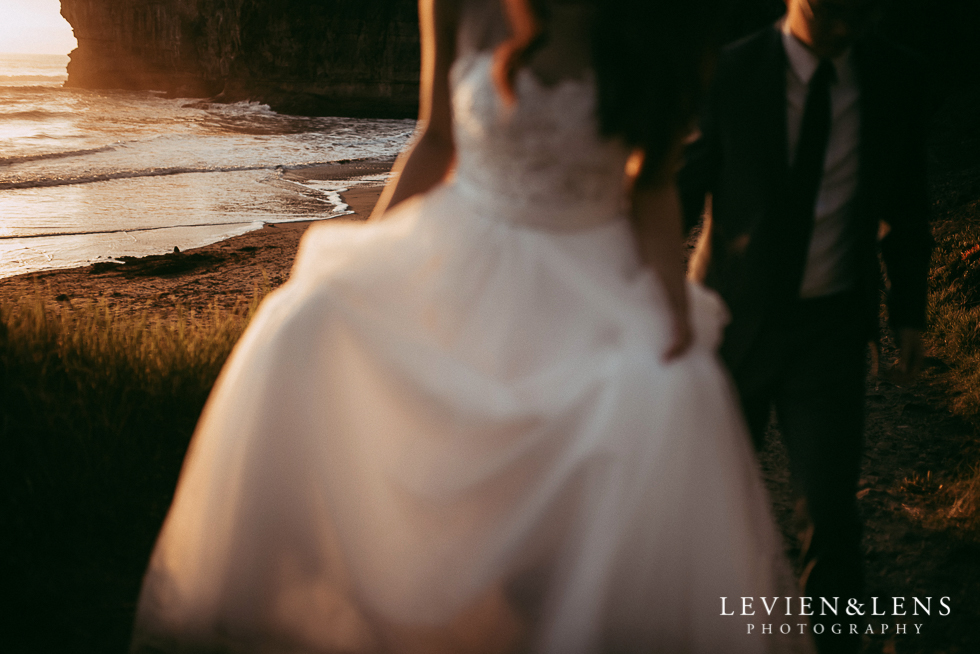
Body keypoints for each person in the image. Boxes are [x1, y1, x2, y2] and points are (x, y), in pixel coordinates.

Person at [132, 1, 812, 652]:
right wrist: (366, 261)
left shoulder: (652, 24)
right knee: (307, 320)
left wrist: (670, 306)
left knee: (656, 391)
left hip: (589, 278)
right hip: (464, 251)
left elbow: (654, 186)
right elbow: (435, 140)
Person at [679, 0, 931, 651]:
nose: (851, 15)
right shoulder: (734, 72)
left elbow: (909, 202)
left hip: (831, 332)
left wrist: (909, 312)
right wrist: (634, 293)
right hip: (731, 327)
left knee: (831, 515)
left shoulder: (897, 75)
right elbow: (682, 188)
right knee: (711, 512)